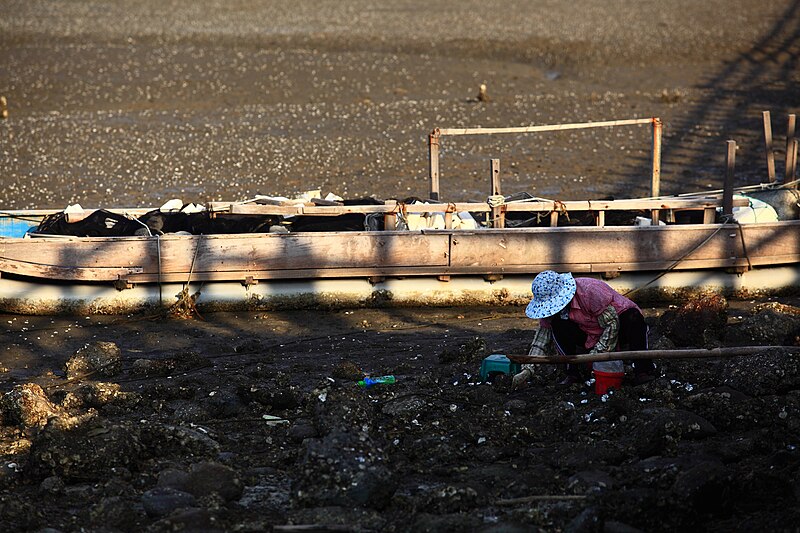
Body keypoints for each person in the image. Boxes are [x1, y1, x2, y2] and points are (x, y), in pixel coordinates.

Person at [512, 270, 656, 390]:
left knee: (634, 318)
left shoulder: (590, 291)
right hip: (588, 335)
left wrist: (596, 355)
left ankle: (642, 370)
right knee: (558, 326)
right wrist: (528, 369)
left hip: (618, 327)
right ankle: (572, 373)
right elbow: (541, 340)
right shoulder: (552, 314)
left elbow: (612, 324)